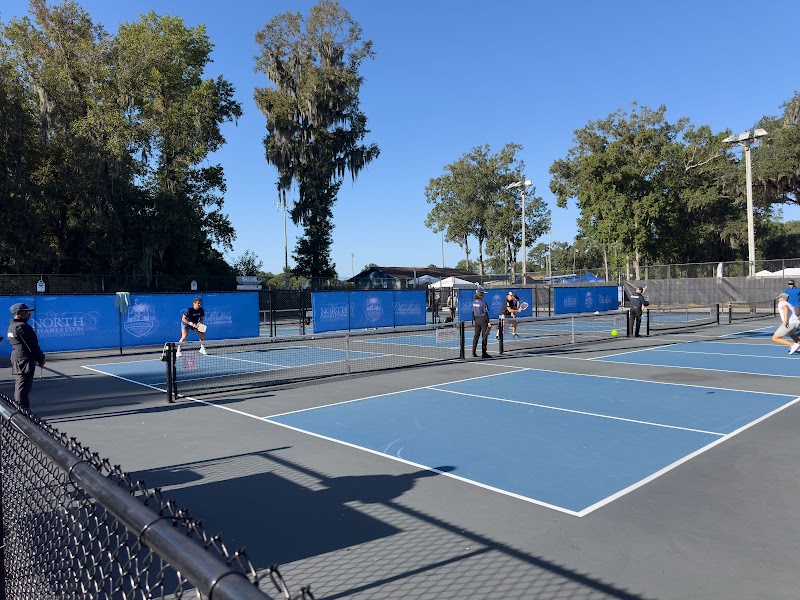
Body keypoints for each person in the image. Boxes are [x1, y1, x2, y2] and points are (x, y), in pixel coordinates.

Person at [7, 303, 45, 410]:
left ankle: (21, 409)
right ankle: (22, 412)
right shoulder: (22, 327)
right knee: (22, 388)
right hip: (24, 360)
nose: (29, 314)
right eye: (26, 312)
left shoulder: (12, 326)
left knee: (21, 386)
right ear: (18, 314)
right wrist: (40, 358)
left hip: (18, 358)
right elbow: (32, 346)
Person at [471, 287, 491, 358]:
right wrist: (488, 322)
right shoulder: (483, 303)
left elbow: (473, 312)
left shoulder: (473, 302)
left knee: (476, 336)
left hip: (477, 320)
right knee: (484, 336)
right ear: (481, 294)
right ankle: (484, 352)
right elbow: (485, 313)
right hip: (483, 320)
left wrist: (474, 320)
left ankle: (473, 352)